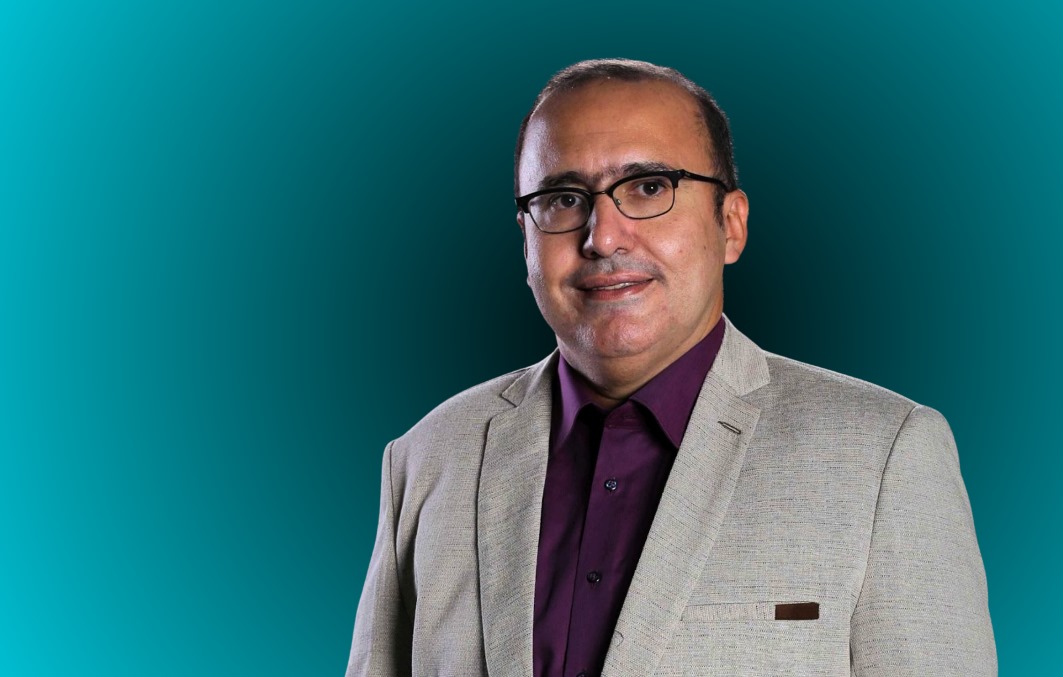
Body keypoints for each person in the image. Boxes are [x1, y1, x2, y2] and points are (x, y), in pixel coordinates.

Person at [346, 58, 996, 677]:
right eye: (563, 198)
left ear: (731, 225)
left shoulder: (883, 455)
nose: (602, 236)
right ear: (526, 240)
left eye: (649, 187)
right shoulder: (430, 457)